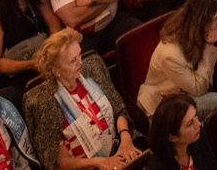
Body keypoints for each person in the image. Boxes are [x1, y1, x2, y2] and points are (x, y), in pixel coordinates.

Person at [26, 29, 143, 170]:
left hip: (119, 148)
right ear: (56, 70)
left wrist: (126, 140)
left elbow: (118, 108)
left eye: (79, 55)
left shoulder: (92, 67)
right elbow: (59, 162)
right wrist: (98, 162)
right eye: (72, 61)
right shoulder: (43, 102)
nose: (80, 63)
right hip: (88, 166)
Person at [138, 0, 217, 119]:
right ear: (201, 22)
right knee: (216, 100)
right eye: (216, 18)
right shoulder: (171, 55)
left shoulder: (194, 33)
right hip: (164, 105)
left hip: (183, 91)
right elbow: (200, 89)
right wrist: (208, 47)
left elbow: (206, 80)